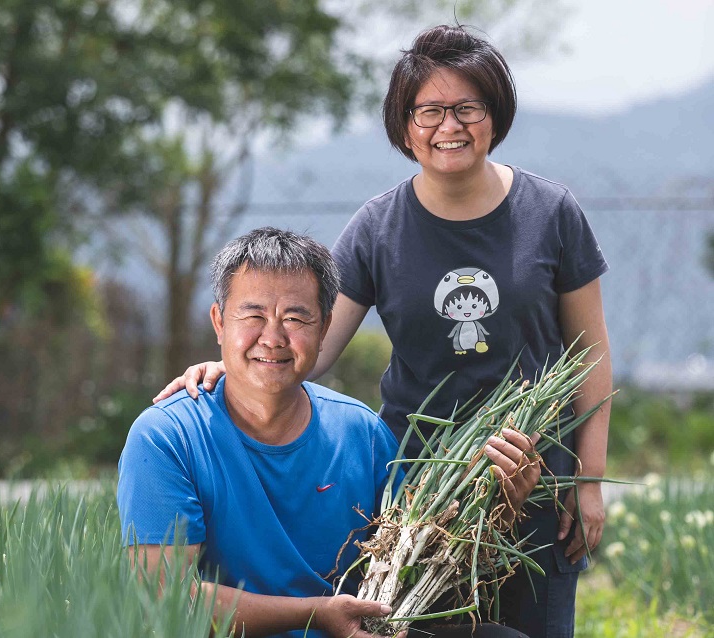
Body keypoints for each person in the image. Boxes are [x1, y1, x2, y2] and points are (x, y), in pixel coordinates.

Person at [153, 25, 613, 638]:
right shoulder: (377, 227)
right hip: (421, 494)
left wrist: (588, 482)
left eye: (466, 108)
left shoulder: (551, 213)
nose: (448, 126)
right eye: (429, 111)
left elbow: (590, 357)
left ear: (494, 117)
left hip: (532, 481)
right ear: (404, 127)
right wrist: (229, 370)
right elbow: (306, 349)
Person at [121, 227, 541, 638]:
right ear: (219, 322)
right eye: (253, 316)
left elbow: (422, 558)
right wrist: (317, 615)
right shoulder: (165, 438)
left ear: (324, 329)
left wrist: (496, 502)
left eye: (295, 318)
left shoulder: (361, 432)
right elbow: (165, 595)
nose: (272, 337)